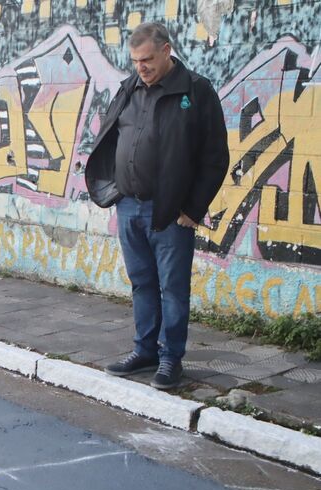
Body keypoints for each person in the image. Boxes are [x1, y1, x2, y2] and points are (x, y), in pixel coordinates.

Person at [85, 22, 229, 390]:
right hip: (129, 207)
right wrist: (113, 189)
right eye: (135, 61)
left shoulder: (196, 91)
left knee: (173, 288)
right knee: (142, 284)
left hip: (170, 211)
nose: (141, 67)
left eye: (147, 59)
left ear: (166, 51)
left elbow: (215, 158)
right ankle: (144, 351)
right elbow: (111, 137)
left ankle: (170, 359)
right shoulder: (129, 88)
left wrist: (193, 210)